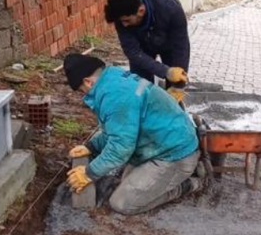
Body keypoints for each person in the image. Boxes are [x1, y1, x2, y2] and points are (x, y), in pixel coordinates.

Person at [63, 53, 202, 215]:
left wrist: (88, 173)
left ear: (87, 82)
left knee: (122, 203)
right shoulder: (113, 76)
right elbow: (117, 130)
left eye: (81, 91)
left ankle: (190, 183)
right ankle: (176, 176)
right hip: (160, 144)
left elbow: (120, 148)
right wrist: (91, 147)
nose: (84, 95)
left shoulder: (114, 97)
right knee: (126, 182)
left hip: (175, 154)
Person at [104, 0, 190, 102]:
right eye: (121, 21)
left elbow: (181, 46)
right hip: (142, 48)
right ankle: (143, 114)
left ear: (141, 11)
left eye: (127, 21)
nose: (124, 25)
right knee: (140, 89)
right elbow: (133, 52)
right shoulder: (122, 16)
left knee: (174, 90)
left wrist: (179, 84)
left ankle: (175, 116)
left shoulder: (170, 7)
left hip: (169, 45)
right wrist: (165, 71)